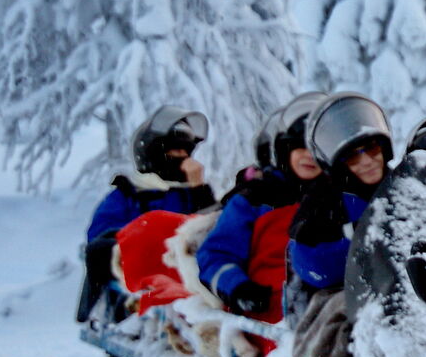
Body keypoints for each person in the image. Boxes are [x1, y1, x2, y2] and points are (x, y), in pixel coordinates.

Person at [284, 92, 394, 357]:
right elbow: (309, 263)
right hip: (338, 291)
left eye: (371, 150)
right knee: (333, 332)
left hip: (401, 287)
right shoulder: (324, 198)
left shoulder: (403, 185)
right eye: (353, 155)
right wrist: (359, 240)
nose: (366, 162)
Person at [197, 91, 326, 324]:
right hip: (269, 310)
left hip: (325, 307)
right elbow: (215, 254)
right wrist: (238, 287)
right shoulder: (256, 199)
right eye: (300, 147)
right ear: (285, 150)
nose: (309, 156)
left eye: (316, 149)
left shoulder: (338, 197)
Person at [76, 106, 214, 323]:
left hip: (187, 269)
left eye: (186, 151)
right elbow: (101, 232)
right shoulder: (130, 192)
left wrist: (200, 189)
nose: (184, 158)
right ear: (155, 153)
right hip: (144, 273)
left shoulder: (191, 193)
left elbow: (211, 228)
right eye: (175, 151)